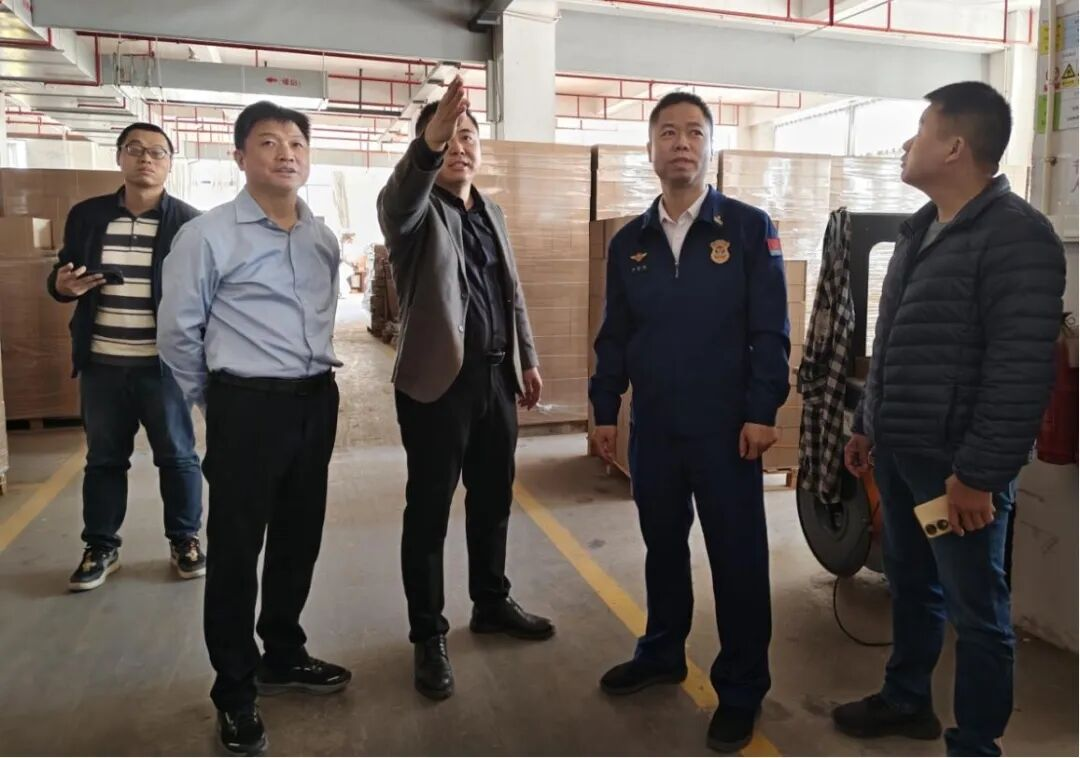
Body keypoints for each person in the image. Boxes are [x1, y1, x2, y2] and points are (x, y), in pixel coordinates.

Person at [833, 82, 1066, 757]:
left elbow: (1021, 373)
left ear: (956, 146)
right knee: (912, 583)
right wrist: (866, 423)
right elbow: (892, 341)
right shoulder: (921, 230)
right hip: (904, 459)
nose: (908, 143)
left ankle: (976, 743)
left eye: (921, 129)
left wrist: (979, 476)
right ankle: (908, 699)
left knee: (975, 608)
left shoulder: (1017, 237)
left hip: (954, 473)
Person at [589, 91, 790, 753]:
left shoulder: (748, 228)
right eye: (669, 132)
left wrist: (762, 411)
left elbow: (770, 329)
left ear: (710, 147)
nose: (682, 143)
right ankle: (661, 652)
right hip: (655, 428)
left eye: (695, 132)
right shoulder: (631, 243)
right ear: (650, 149)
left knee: (738, 559)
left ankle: (741, 688)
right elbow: (615, 334)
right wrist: (605, 409)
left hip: (726, 431)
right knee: (663, 547)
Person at [157, 101, 350, 755]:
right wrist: (216, 401)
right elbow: (177, 333)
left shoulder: (321, 237)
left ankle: (284, 652)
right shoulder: (208, 235)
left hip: (315, 401)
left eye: (296, 142)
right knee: (238, 553)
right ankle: (235, 691)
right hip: (246, 406)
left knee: (300, 537)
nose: (286, 153)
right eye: (268, 142)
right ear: (240, 157)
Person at [377, 76, 553, 702]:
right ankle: (428, 635)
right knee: (429, 511)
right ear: (430, 144)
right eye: (448, 137)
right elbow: (400, 196)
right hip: (437, 386)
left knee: (493, 498)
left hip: (496, 378)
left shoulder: (493, 213)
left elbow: (512, 293)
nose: (460, 146)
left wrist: (527, 359)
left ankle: (491, 601)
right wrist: (427, 143)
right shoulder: (414, 215)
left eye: (469, 136)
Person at [46, 122, 203, 592]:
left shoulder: (190, 224)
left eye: (157, 151)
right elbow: (63, 272)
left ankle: (185, 540)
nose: (146, 158)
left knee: (178, 457)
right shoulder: (88, 216)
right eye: (135, 149)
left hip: (164, 367)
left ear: (170, 163)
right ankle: (101, 547)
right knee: (104, 460)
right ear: (119, 157)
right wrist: (61, 285)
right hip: (102, 364)